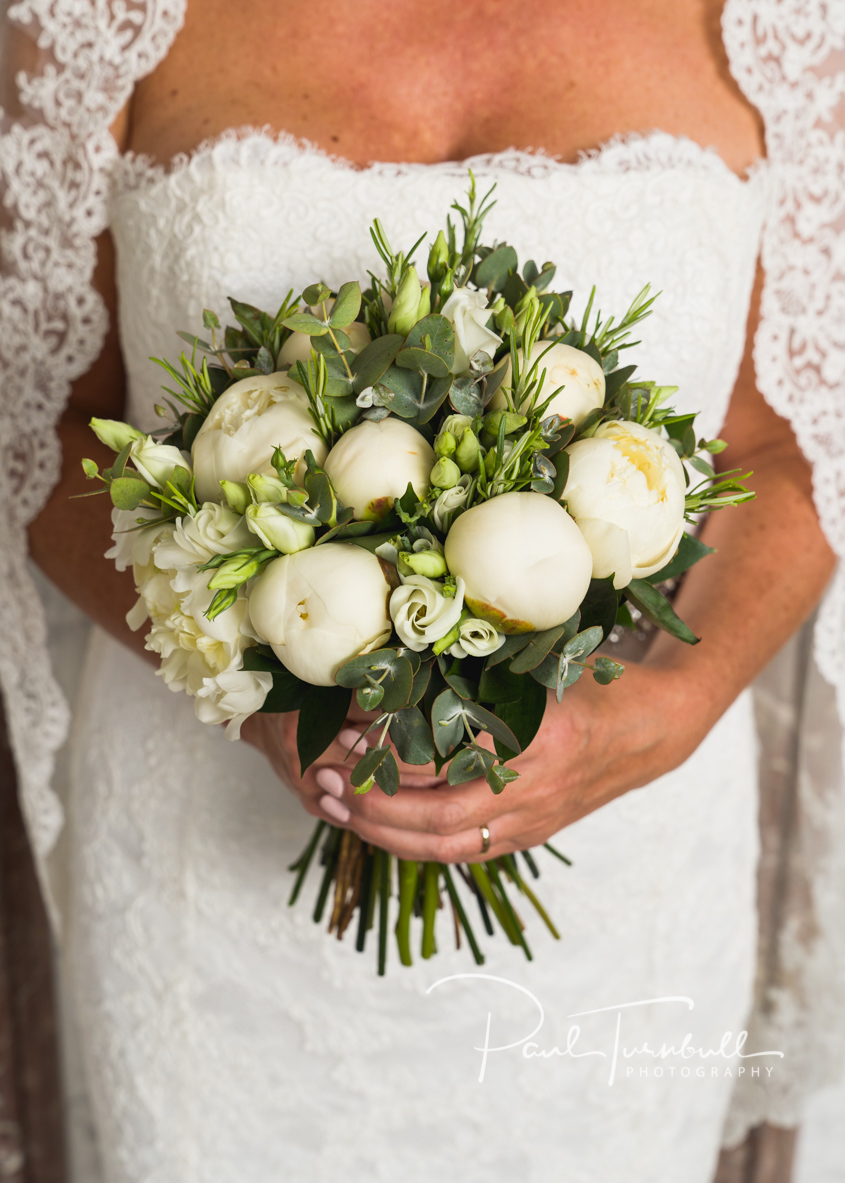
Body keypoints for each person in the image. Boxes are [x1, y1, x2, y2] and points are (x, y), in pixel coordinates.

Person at [1, 0, 843, 1179]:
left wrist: (667, 713)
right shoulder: (99, 19)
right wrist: (258, 687)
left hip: (616, 868)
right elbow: (37, 426)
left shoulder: (784, 26)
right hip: (210, 887)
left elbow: (792, 443)